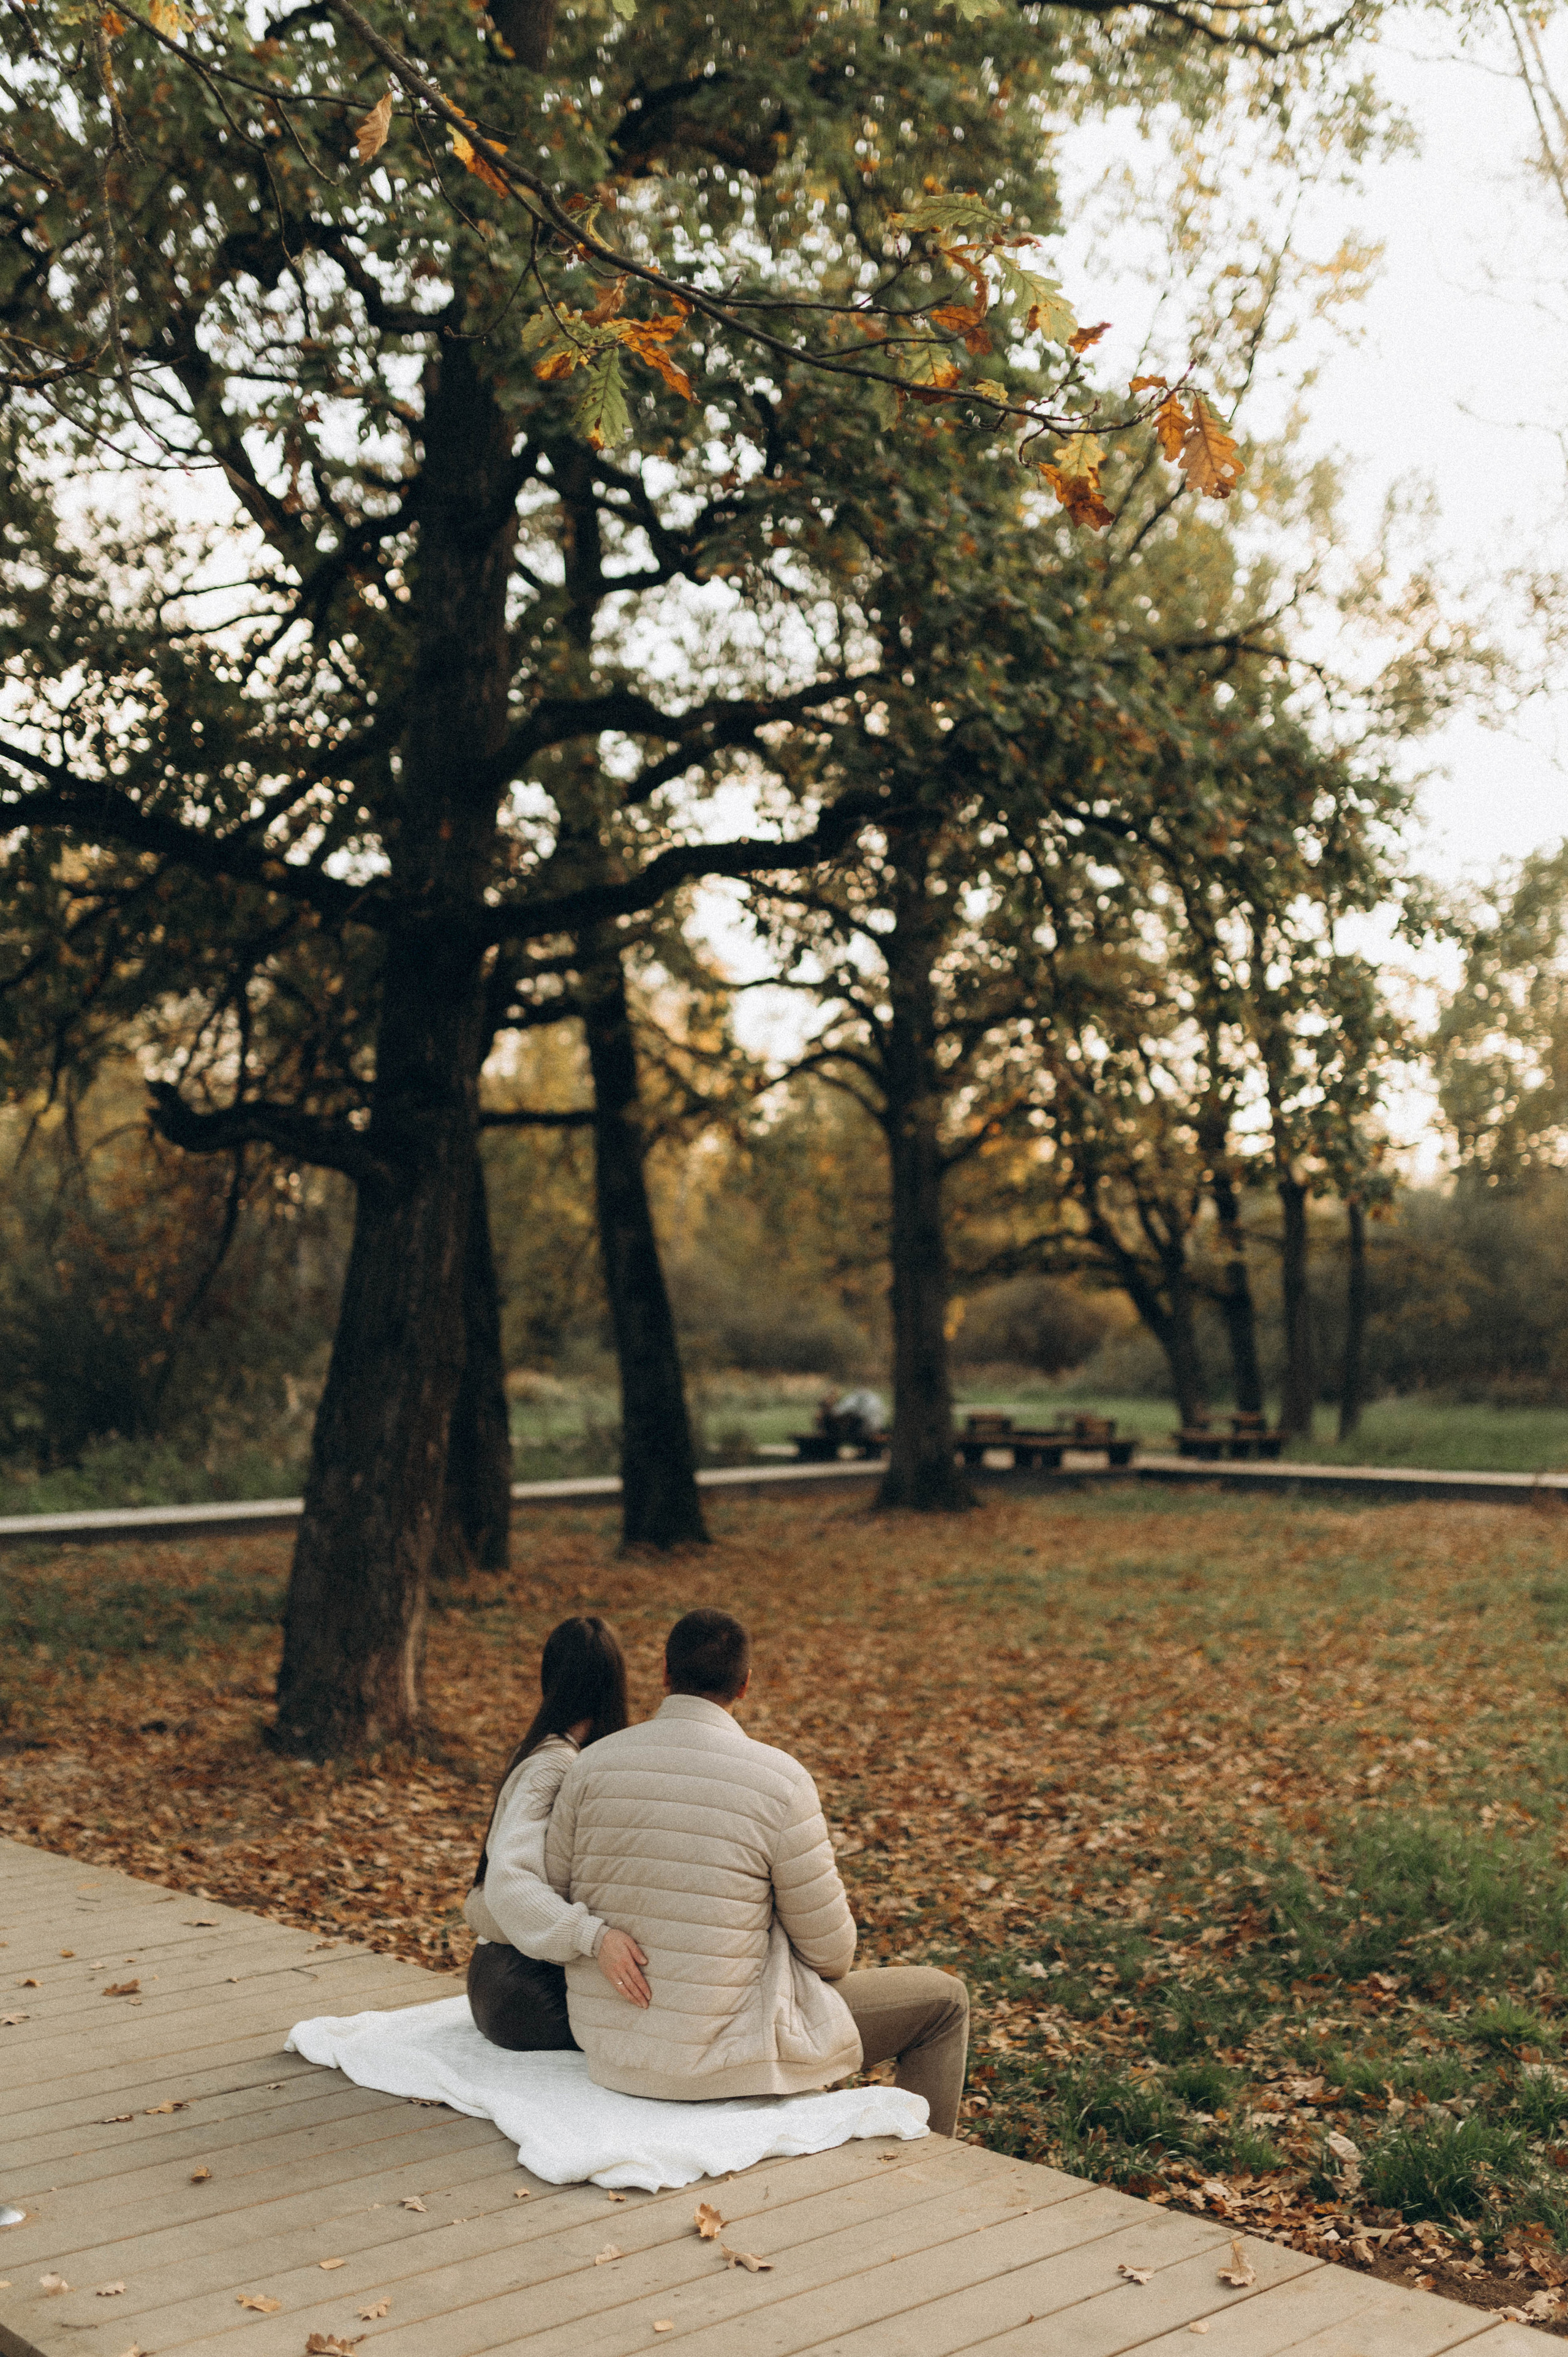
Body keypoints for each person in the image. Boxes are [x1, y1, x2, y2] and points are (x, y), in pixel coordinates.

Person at [545, 1607, 970, 2135]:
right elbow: (832, 1953)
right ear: (745, 1684)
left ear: (664, 1672)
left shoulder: (588, 1767)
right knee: (945, 2002)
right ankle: (929, 2173)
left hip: (614, 2053)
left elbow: (553, 1897)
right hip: (730, 2059)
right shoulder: (780, 1780)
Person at [464, 1614, 652, 2051]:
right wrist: (595, 1937)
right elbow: (508, 1880)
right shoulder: (553, 1765)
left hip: (505, 1981)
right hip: (523, 1990)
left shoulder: (558, 1754)